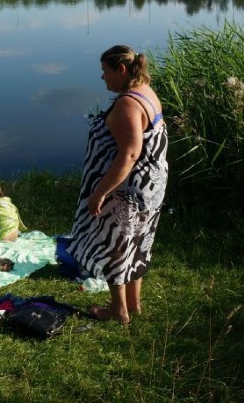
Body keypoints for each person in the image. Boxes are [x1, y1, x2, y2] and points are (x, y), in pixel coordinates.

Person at [60, 45, 168, 323]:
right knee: (137, 243)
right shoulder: (147, 92)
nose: (102, 78)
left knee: (115, 247)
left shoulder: (127, 104)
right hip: (150, 187)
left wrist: (100, 192)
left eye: (105, 71)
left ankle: (118, 310)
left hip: (126, 190)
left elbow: (129, 154)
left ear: (121, 70)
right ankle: (133, 304)